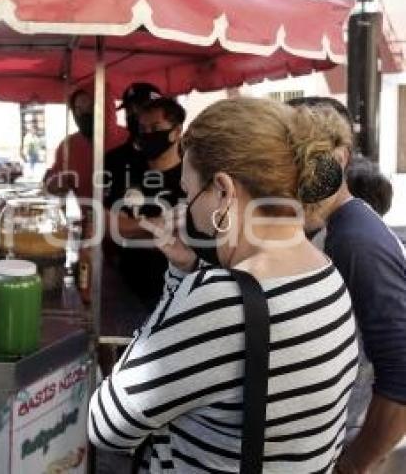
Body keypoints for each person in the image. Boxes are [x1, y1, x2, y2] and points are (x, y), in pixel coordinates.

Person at [89, 98, 359, 472]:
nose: (189, 207)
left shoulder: (219, 301)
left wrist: (182, 296)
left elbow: (107, 424)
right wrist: (185, 272)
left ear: (223, 191)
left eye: (190, 193)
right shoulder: (326, 274)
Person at [290, 99, 406, 474]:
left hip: (345, 444)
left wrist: (354, 464)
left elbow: (401, 369)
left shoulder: (357, 238)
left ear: (339, 159)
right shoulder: (327, 228)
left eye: (305, 156)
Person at [104, 98, 186, 311]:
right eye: (143, 129)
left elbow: (189, 235)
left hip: (179, 292)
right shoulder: (124, 169)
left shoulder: (193, 174)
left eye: (156, 128)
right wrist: (159, 224)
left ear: (176, 132)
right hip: (128, 286)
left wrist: (132, 227)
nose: (148, 134)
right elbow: (109, 226)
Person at [44, 85, 128, 200]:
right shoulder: (69, 145)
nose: (84, 114)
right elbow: (55, 176)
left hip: (127, 216)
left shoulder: (129, 139)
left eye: (91, 107)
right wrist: (53, 184)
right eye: (78, 109)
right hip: (88, 215)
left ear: (107, 107)